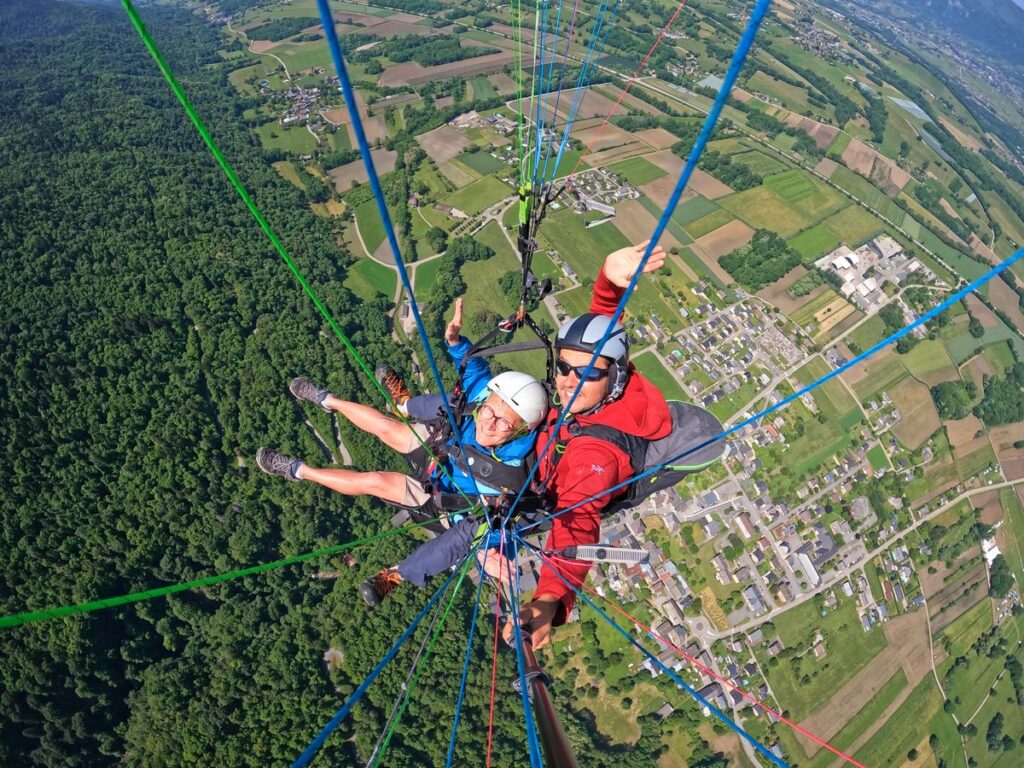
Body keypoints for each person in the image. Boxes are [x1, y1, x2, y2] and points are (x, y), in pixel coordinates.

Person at [255, 299, 549, 605]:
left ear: (522, 430)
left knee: (374, 480)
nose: (488, 422)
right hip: (441, 453)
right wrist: (455, 341)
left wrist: (490, 555)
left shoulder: (514, 477)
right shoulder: (486, 399)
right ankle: (329, 400)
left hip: (447, 506)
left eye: (504, 422)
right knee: (387, 427)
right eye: (489, 410)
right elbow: (475, 372)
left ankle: (300, 472)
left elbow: (501, 529)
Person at [505, 241, 671, 649]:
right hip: (547, 443)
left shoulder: (594, 458)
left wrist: (549, 602)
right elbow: (599, 333)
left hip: (536, 476)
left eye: (585, 373)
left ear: (612, 377)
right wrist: (609, 280)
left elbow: (575, 524)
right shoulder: (609, 388)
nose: (568, 380)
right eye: (562, 366)